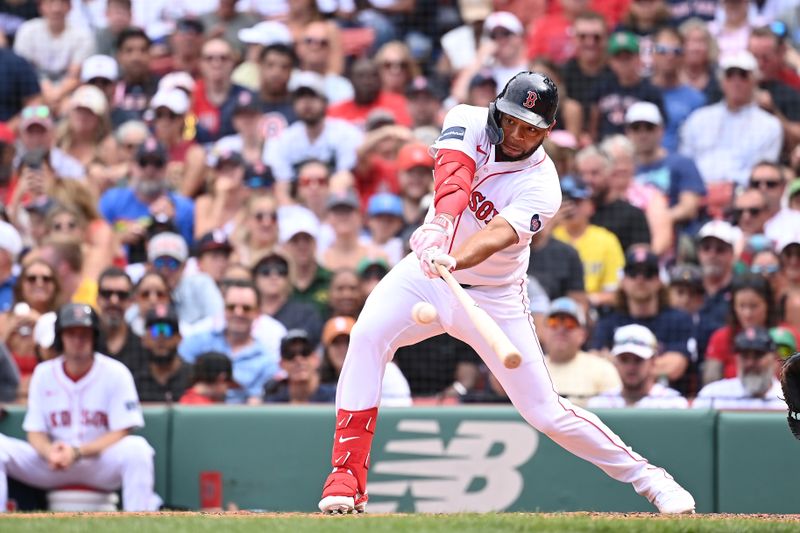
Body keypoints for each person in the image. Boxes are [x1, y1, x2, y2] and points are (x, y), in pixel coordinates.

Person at [317, 71, 695, 515]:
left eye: (531, 128)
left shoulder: (543, 185)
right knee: (365, 338)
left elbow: (496, 235)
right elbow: (454, 177)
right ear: (497, 108)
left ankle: (652, 480)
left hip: (493, 295)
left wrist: (455, 257)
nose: (517, 135)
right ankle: (347, 476)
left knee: (546, 412)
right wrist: (440, 227)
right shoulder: (466, 118)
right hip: (423, 273)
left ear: (547, 132)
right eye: (512, 120)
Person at [0, 303, 162, 511]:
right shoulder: (43, 373)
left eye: (85, 334)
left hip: (98, 462)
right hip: (53, 464)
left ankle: (140, 523)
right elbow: (35, 432)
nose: (78, 340)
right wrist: (49, 451)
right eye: (71, 333)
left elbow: (123, 429)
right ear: (60, 337)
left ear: (95, 337)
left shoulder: (116, 372)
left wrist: (78, 452)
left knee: (138, 449)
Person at [589, 247, 694, 394]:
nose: (640, 279)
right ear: (623, 280)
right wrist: (651, 366)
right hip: (615, 400)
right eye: (633, 273)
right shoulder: (608, 321)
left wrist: (616, 362)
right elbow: (595, 366)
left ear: (659, 280)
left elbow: (675, 368)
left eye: (648, 273)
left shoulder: (678, 319)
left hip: (667, 401)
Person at [679, 50, 782, 187]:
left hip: (743, 195)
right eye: (730, 75)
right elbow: (685, 161)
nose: (736, 82)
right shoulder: (699, 119)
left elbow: (763, 173)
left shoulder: (769, 125)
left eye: (743, 76)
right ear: (722, 81)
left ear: (755, 80)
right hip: (697, 192)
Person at [263, 71, 363, 206]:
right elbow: (282, 186)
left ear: (325, 101)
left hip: (335, 205)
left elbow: (345, 177)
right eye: (301, 97)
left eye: (312, 96)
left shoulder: (345, 133)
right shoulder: (283, 139)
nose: (307, 103)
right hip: (296, 208)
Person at [178, 280, 279, 404]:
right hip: (194, 415)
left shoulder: (267, 360)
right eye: (231, 307)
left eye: (246, 308)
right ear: (223, 310)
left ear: (257, 313)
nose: (238, 313)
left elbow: (256, 404)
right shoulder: (197, 342)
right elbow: (176, 377)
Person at [552, 175, 625, 309]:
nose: (570, 208)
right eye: (564, 202)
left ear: (590, 205)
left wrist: (588, 300)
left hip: (594, 310)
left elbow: (616, 292)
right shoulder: (549, 237)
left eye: (576, 201)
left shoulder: (606, 239)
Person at [542, 297, 621, 407]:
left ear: (583, 334)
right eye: (553, 323)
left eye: (570, 324)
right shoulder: (530, 370)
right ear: (544, 331)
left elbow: (617, 413)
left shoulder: (602, 370)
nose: (561, 329)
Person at [588, 324, 689, 408]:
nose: (631, 367)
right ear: (615, 362)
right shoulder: (599, 404)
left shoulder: (673, 404)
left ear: (653, 360)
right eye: (624, 359)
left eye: (638, 360)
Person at [319, 315, 411, 407]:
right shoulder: (320, 378)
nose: (343, 349)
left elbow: (403, 409)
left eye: (348, 342)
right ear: (327, 350)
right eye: (336, 343)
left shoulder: (385, 369)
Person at [693, 326, 786, 410]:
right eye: (744, 356)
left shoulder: (791, 399)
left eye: (758, 355)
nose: (750, 363)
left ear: (775, 358)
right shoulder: (712, 395)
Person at [134, 304, 190, 403]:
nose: (161, 338)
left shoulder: (192, 377)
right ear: (144, 339)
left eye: (166, 330)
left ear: (179, 338)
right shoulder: (134, 379)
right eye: (154, 331)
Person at [264, 329, 337, 403]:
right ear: (281, 364)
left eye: (305, 352)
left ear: (316, 359)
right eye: (290, 354)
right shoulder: (274, 403)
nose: (298, 359)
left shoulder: (335, 398)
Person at [95, 267, 145, 374]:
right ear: (97, 298)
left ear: (131, 301)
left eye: (122, 295)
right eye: (107, 294)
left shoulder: (142, 346)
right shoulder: (86, 342)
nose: (114, 301)